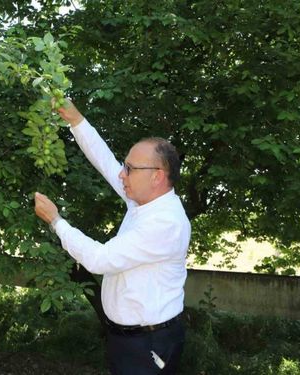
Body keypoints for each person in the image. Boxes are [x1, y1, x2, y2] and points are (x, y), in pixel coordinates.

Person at [34, 100, 191, 374]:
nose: (122, 173)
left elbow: (99, 259)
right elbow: (106, 163)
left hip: (149, 345)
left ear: (157, 177)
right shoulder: (143, 202)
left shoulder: (165, 222)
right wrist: (76, 121)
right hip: (128, 339)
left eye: (130, 168)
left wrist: (56, 222)